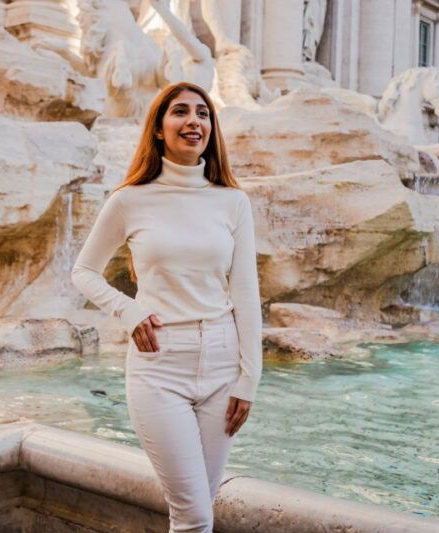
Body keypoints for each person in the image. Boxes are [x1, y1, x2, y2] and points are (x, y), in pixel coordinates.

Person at [70, 81, 262, 532]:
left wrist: (249, 377)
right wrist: (129, 311)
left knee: (199, 510)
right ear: (159, 128)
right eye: (180, 112)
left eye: (203, 113)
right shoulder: (129, 199)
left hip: (222, 362)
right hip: (160, 367)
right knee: (194, 516)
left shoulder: (233, 201)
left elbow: (246, 293)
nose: (193, 121)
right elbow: (83, 271)